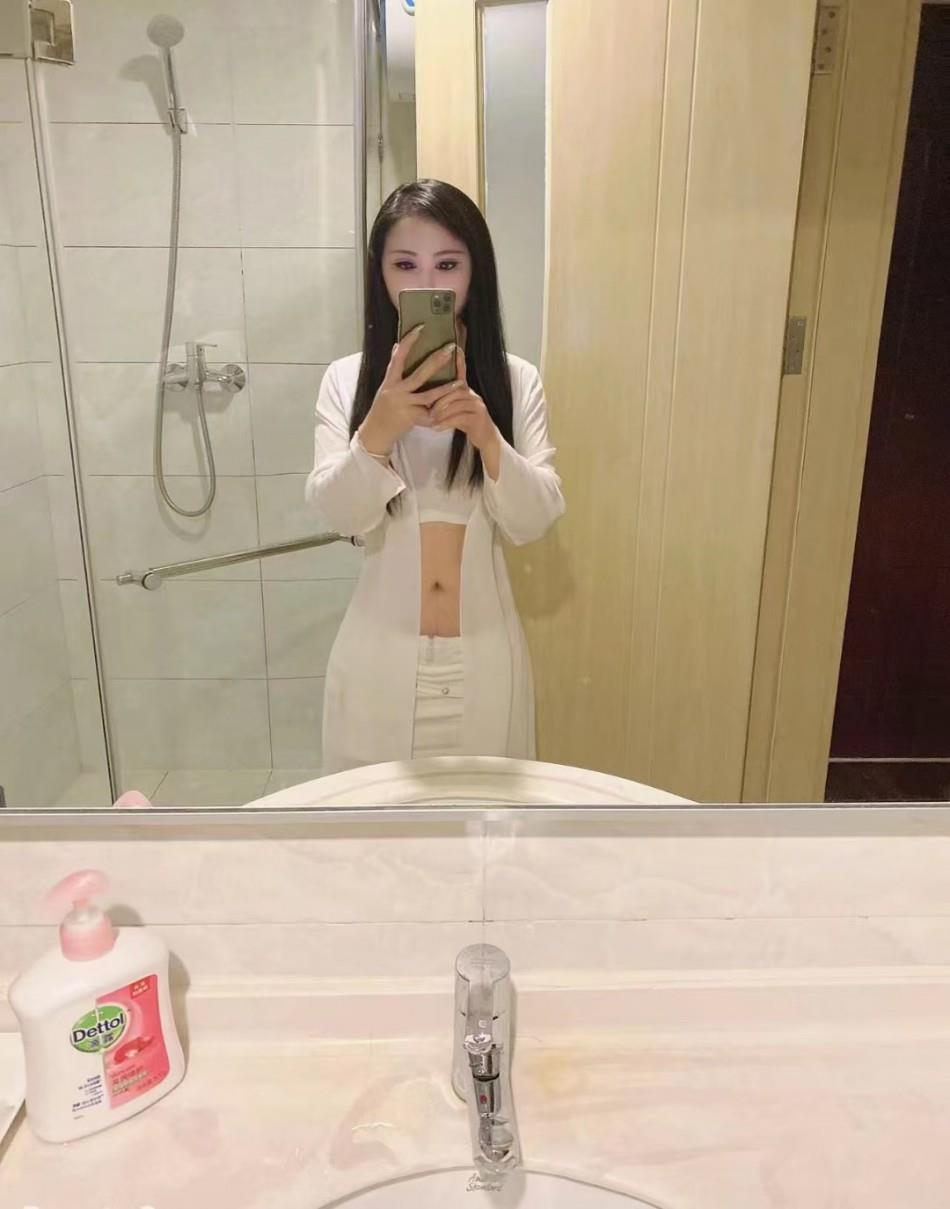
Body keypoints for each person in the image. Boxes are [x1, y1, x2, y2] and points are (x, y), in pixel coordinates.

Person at [306, 179, 565, 773]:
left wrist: (487, 436)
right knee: (372, 818)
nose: (426, 284)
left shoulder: (515, 380)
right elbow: (341, 516)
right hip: (376, 658)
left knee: (483, 817)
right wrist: (377, 430)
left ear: (476, 273)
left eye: (447, 264)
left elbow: (534, 521)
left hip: (487, 656)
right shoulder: (346, 381)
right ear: (380, 273)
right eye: (405, 265)